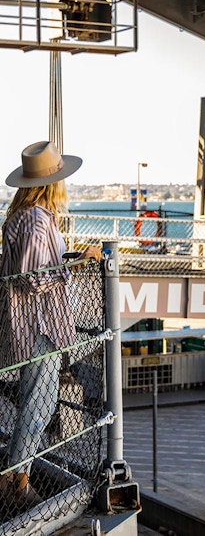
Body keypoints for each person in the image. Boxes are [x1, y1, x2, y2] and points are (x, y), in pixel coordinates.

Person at [0, 140, 101, 514]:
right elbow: (34, 277)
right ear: (52, 182)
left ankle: (17, 477)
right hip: (38, 324)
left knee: (37, 401)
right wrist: (78, 262)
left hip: (28, 322)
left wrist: (69, 257)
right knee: (39, 403)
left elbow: (33, 267)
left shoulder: (24, 216)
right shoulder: (36, 219)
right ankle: (15, 480)